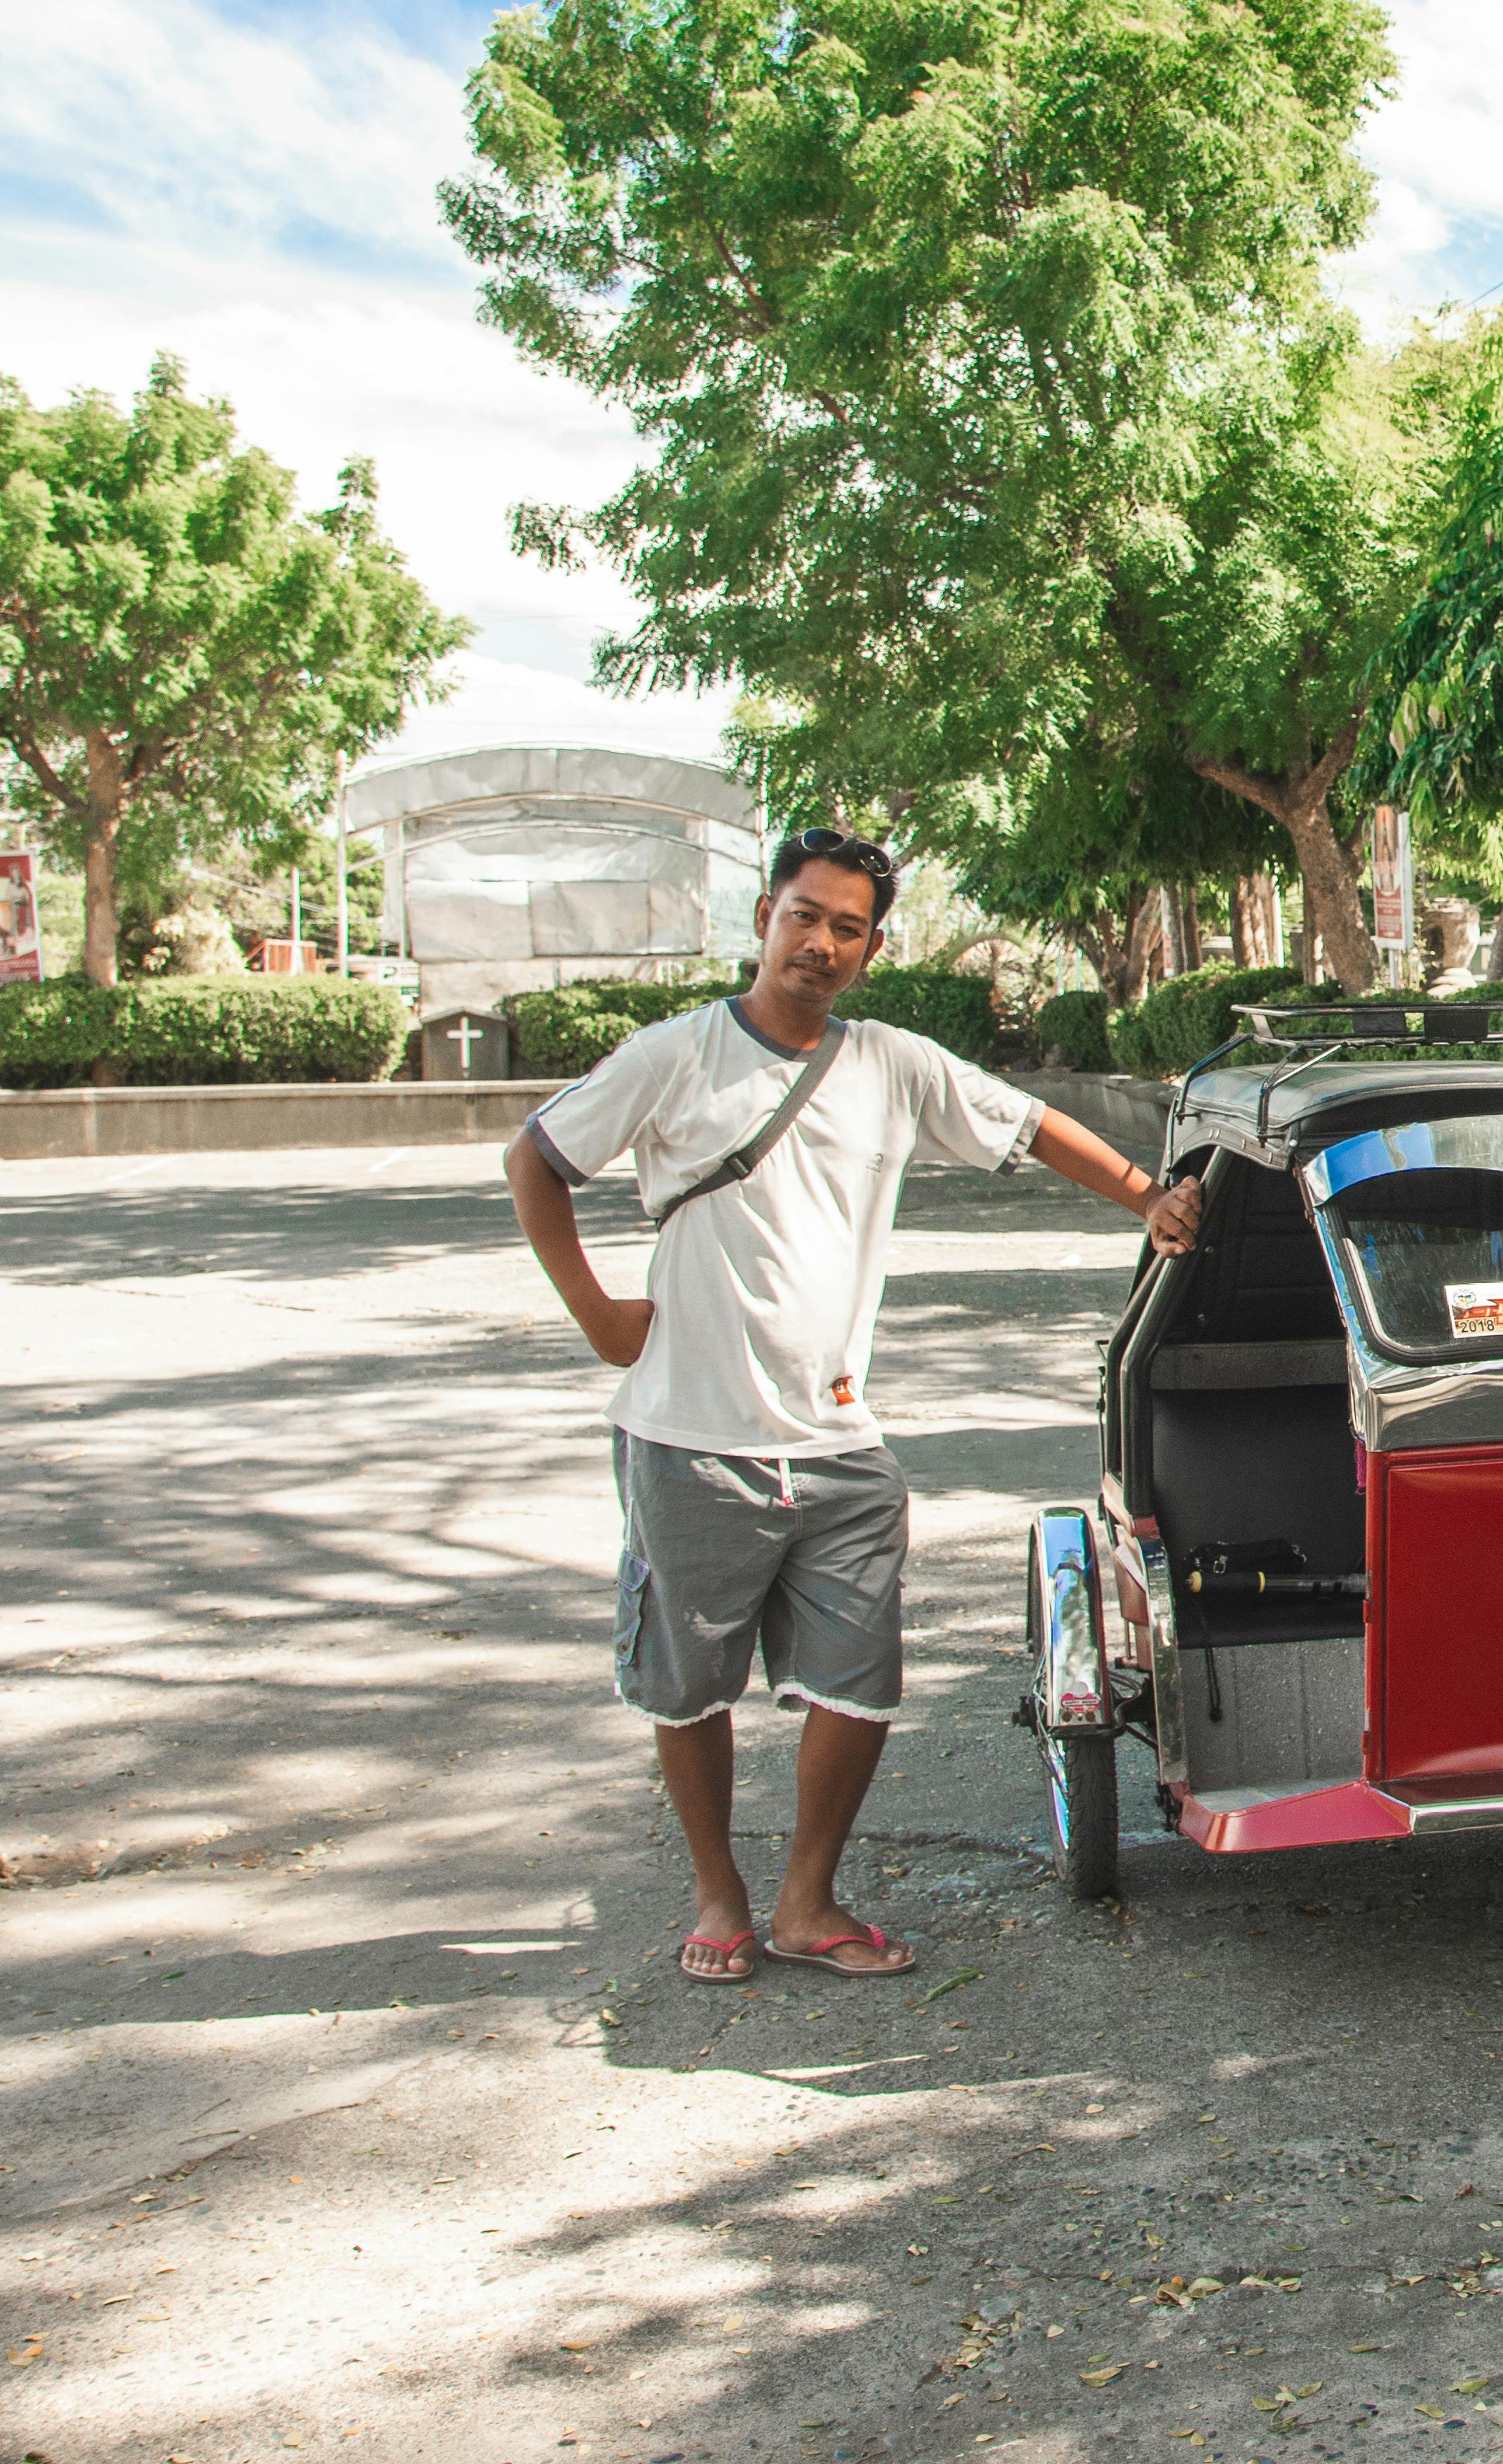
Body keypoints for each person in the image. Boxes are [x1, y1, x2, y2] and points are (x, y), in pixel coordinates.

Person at [505, 824, 1202, 1983]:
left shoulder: (890, 1064)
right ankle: (719, 1895)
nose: (819, 943)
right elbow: (536, 1159)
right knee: (689, 1686)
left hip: (836, 1441)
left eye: (846, 928)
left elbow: (1029, 1125)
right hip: (687, 1435)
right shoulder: (675, 1054)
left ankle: (807, 1900)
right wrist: (597, 1315)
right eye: (803, 916)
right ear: (764, 919)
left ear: (872, 949)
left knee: (861, 1681)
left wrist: (1147, 1199)